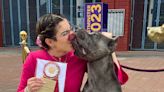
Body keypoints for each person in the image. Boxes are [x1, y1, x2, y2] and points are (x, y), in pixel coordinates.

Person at [17, 13, 128, 92]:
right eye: (65, 33)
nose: (72, 35)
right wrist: (28, 90)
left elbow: (119, 78)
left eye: (71, 29)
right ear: (50, 42)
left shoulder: (79, 56)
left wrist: (107, 47)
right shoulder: (33, 58)